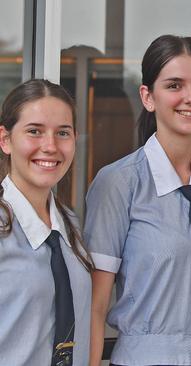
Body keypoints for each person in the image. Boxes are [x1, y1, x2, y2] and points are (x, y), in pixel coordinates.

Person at [86, 35, 191, 366]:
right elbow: (94, 307)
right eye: (174, 85)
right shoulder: (119, 183)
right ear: (148, 97)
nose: (190, 97)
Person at [0, 79, 93, 365]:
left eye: (62, 133)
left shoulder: (71, 225)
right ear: (5, 140)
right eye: (34, 131)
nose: (50, 146)